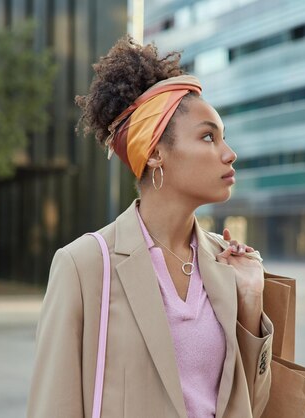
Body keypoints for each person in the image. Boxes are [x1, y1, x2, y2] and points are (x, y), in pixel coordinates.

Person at [26, 36, 274, 418]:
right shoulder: (84, 265)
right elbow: (52, 407)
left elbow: (252, 408)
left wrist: (252, 301)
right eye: (209, 136)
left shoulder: (228, 266)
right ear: (155, 152)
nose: (229, 153)